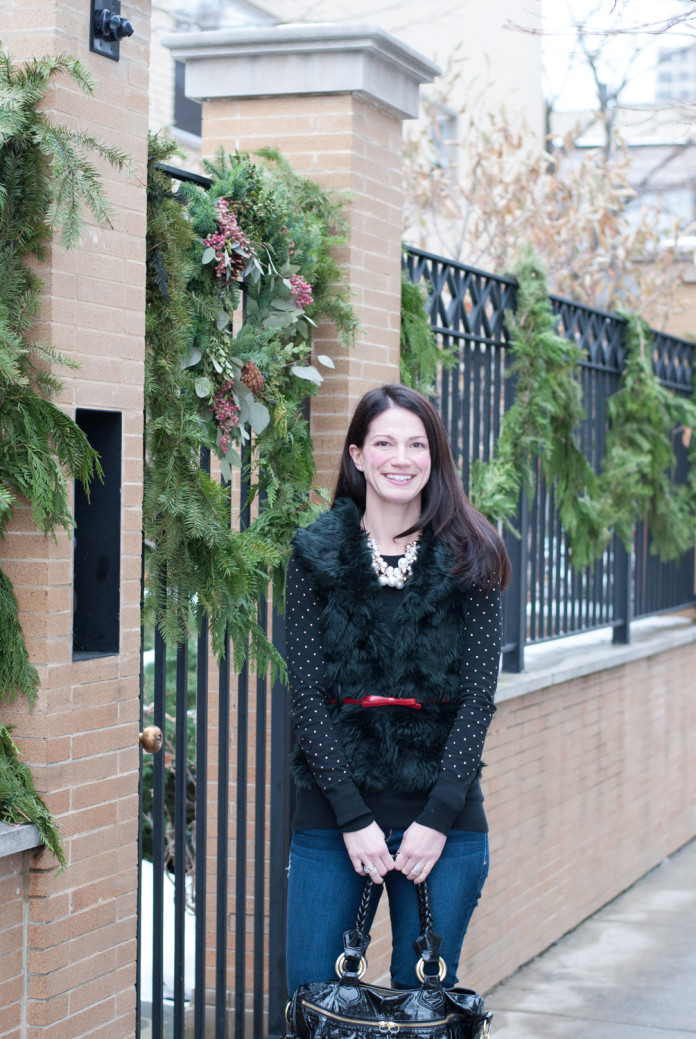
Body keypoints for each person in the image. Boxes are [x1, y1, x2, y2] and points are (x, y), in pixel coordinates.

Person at [284, 384, 510, 995]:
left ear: (434, 457)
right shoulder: (314, 554)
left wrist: (437, 819)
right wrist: (352, 818)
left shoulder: (472, 555)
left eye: (416, 444)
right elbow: (306, 696)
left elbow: (477, 700)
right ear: (358, 455)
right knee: (313, 1000)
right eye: (384, 442)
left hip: (443, 820)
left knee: (423, 1004)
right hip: (334, 816)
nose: (400, 458)